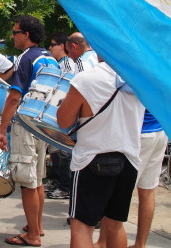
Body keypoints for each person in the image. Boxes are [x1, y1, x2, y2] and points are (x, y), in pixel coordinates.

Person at [57, 57, 144, 248]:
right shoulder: (137, 78)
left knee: (81, 226)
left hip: (92, 159)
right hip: (130, 160)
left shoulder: (87, 79)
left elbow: (63, 121)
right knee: (115, 225)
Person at [0, 15, 59, 247]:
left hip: (26, 123)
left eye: (15, 32)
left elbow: (14, 97)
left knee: (26, 181)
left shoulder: (26, 58)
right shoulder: (50, 57)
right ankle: (37, 226)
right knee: (38, 178)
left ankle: (32, 235)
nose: (13, 36)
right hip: (44, 125)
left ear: (26, 35)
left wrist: (2, 130)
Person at [128, 110, 168, 248]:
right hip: (159, 129)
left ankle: (105, 242)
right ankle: (140, 244)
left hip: (140, 131)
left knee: (120, 194)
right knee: (148, 190)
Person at [45, 31, 76, 200]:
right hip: (55, 111)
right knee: (55, 149)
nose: (50, 48)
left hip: (63, 111)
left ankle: (65, 186)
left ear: (62, 46)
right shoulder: (58, 63)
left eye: (52, 44)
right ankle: (56, 180)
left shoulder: (68, 64)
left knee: (63, 151)